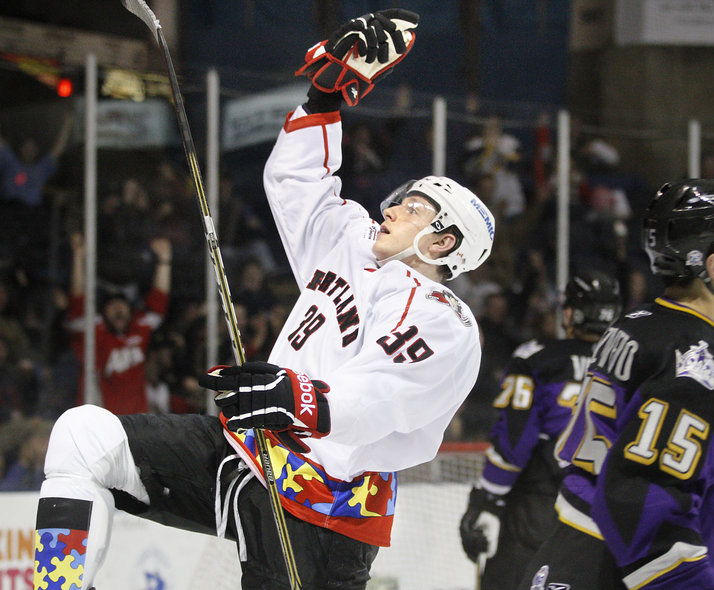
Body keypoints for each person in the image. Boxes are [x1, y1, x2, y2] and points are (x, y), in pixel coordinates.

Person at [34, 10, 496, 590]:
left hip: (326, 507)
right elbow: (297, 184)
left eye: (415, 208)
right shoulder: (349, 244)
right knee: (83, 437)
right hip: (251, 454)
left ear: (442, 240)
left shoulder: (445, 321)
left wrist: (296, 397)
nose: (392, 208)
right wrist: (326, 94)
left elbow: (382, 397)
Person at [516, 179, 714, 590]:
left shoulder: (639, 325)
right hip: (616, 570)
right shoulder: (701, 359)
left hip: (568, 554)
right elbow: (644, 505)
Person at [459, 269, 622, 590]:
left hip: (542, 506)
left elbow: (514, 442)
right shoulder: (636, 363)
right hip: (610, 512)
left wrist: (486, 498)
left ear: (571, 312)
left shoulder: (536, 358)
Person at [66, 232, 172, 415]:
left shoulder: (138, 328)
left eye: (122, 306)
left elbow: (159, 301)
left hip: (136, 420)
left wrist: (164, 260)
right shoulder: (94, 332)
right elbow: (77, 302)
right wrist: (78, 256)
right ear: (103, 313)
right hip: (99, 420)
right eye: (112, 306)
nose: (118, 310)